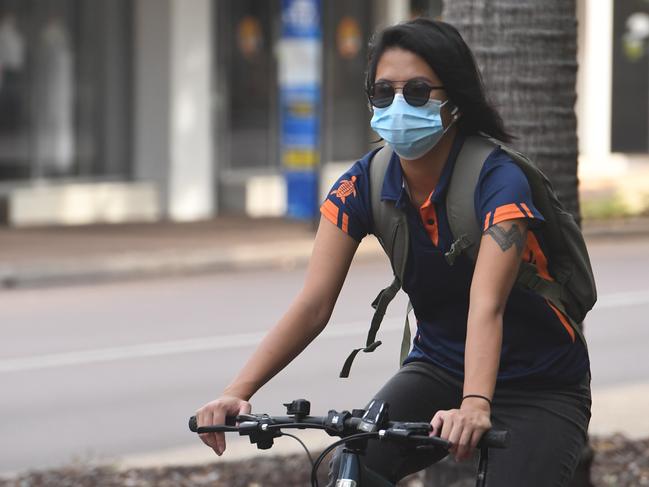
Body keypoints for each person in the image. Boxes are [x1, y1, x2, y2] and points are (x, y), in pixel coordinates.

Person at [195, 18, 591, 486]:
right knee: (349, 469)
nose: (399, 104)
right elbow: (314, 304)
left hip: (539, 383)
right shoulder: (362, 183)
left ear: (455, 99)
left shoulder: (499, 180)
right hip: (439, 366)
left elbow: (488, 303)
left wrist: (475, 404)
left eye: (419, 91)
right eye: (384, 92)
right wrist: (237, 392)